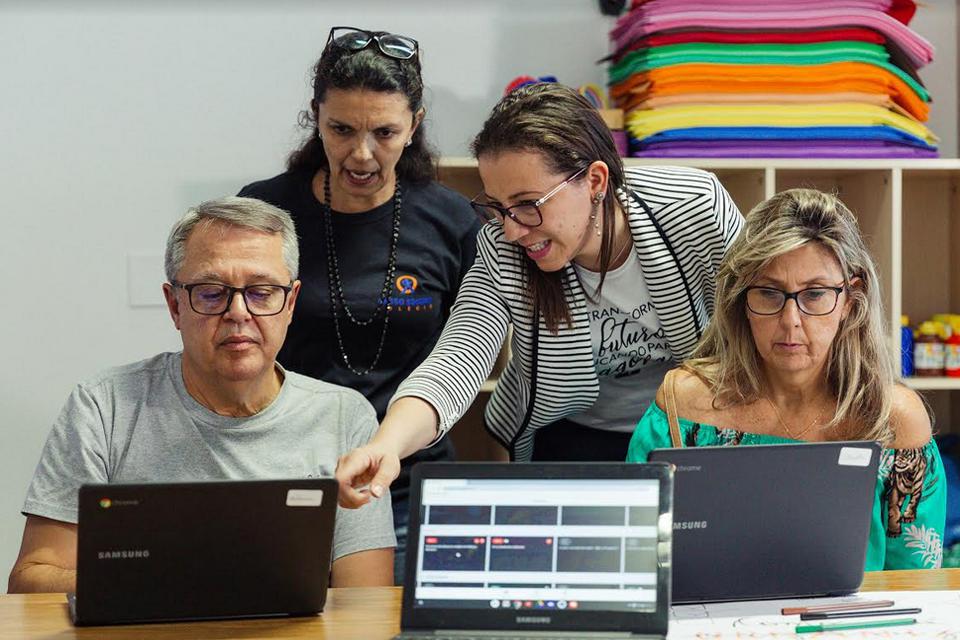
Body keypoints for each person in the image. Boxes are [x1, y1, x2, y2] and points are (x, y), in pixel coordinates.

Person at [335, 82, 744, 506]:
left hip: (691, 426)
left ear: (595, 180)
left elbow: (762, 312)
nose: (512, 230)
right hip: (573, 434)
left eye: (528, 203)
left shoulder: (693, 207)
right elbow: (457, 360)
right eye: (498, 207)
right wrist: (386, 445)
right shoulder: (503, 247)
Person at [7, 197, 395, 594]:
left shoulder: (344, 417)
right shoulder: (105, 408)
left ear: (291, 303)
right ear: (175, 306)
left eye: (262, 292)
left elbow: (366, 603)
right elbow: (31, 581)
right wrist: (168, 582)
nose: (238, 312)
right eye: (211, 293)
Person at [238, 27, 479, 582]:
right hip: (290, 479)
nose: (362, 153)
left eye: (385, 132)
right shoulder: (265, 211)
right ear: (316, 118)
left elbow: (471, 347)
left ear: (414, 126)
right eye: (341, 129)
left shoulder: (452, 220)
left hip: (412, 486)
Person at [626, 188, 946, 570]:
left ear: (850, 299)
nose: (791, 321)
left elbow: (914, 583)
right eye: (769, 293)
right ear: (741, 299)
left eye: (815, 294)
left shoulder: (893, 419)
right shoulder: (683, 406)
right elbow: (638, 558)